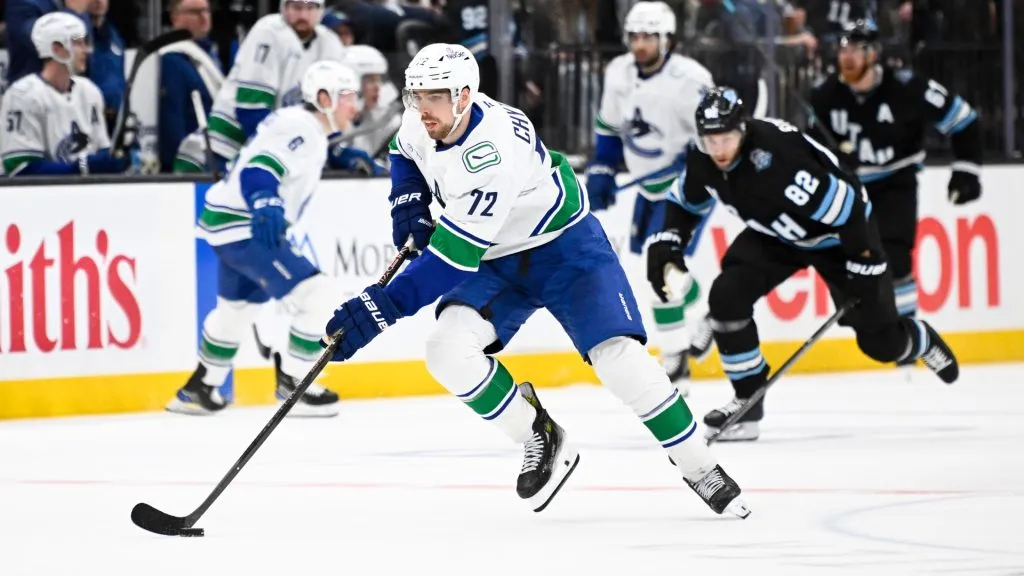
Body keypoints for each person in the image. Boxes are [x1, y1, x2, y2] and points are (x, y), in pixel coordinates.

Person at [320, 43, 751, 518]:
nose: (422, 107)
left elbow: (450, 261)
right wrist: (408, 202)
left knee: (619, 360)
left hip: (565, 248)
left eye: (434, 97)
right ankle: (538, 435)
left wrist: (380, 308)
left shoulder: (491, 152)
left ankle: (700, 466)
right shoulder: (424, 116)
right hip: (497, 254)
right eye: (415, 95)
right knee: (447, 351)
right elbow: (404, 154)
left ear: (464, 95)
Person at [647, 86, 960, 442]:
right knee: (727, 296)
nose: (718, 149)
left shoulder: (779, 161)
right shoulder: (703, 158)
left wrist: (863, 263)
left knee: (879, 342)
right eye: (710, 139)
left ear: (743, 129)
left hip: (837, 240)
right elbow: (685, 202)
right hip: (777, 233)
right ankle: (747, 403)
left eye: (726, 138)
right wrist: (669, 240)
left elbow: (850, 208)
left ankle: (918, 339)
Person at [166, 61, 361, 417]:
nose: (355, 105)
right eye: (348, 96)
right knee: (319, 296)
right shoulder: (300, 126)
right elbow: (260, 168)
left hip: (227, 224)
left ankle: (200, 386)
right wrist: (264, 200)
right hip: (249, 226)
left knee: (237, 311)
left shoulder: (302, 126)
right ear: (323, 98)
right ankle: (295, 383)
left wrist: (345, 154)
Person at [808, 20, 981, 364]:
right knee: (852, 264)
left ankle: (908, 336)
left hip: (894, 182)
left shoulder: (907, 87)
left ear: (873, 54)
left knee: (896, 261)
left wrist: (966, 171)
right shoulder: (824, 95)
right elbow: (810, 149)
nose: (847, 57)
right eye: (842, 49)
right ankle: (877, 329)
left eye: (855, 50)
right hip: (850, 190)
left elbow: (963, 119)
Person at [587, 1, 717, 395]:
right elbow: (609, 128)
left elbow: (717, 132)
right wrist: (602, 169)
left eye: (648, 37)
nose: (640, 45)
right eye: (635, 37)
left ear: (666, 38)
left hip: (685, 186)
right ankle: (705, 314)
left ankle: (675, 360)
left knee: (661, 268)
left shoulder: (690, 79)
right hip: (647, 185)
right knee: (660, 268)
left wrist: (696, 154)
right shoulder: (618, 73)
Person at [1, 12, 127, 176]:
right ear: (57, 49)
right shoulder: (22, 95)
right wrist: (79, 169)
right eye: (78, 43)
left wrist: (117, 155)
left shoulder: (90, 92)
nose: (87, 50)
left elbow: (100, 152)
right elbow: (19, 166)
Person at [158, 0, 223, 172]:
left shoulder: (209, 55)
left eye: (206, 10)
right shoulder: (172, 59)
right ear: (175, 17)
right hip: (189, 167)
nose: (203, 17)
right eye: (195, 12)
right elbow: (172, 122)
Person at [340, 44, 402, 158]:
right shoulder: (330, 121)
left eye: (379, 80)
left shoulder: (387, 122)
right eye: (370, 80)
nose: (377, 87)